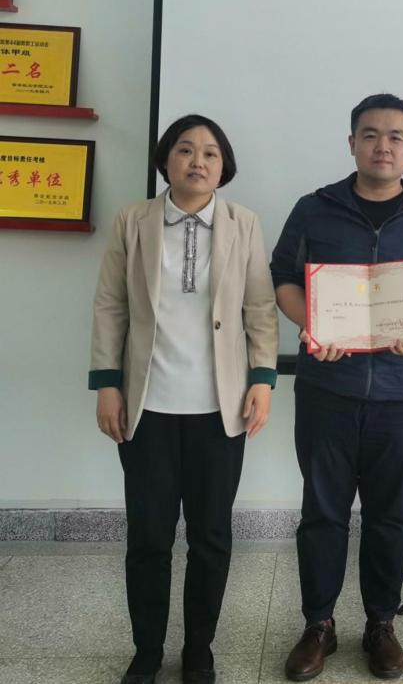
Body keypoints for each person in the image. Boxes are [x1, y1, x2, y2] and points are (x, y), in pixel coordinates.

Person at [271, 93, 403, 682]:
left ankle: (381, 623)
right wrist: (311, 323)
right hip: (326, 388)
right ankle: (319, 624)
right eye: (369, 134)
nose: (382, 146)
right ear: (351, 143)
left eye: (394, 136)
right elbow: (283, 276)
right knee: (322, 512)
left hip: (402, 392)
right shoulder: (315, 209)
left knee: (390, 516)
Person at [89, 114, 279, 684]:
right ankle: (147, 651)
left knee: (211, 537)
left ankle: (199, 649)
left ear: (224, 167)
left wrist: (262, 378)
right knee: (149, 537)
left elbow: (260, 308)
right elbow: (111, 305)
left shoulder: (244, 224)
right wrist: (107, 384)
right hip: (147, 407)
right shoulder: (134, 221)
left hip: (219, 410)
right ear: (165, 159)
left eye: (211, 153)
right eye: (185, 150)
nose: (198, 161)